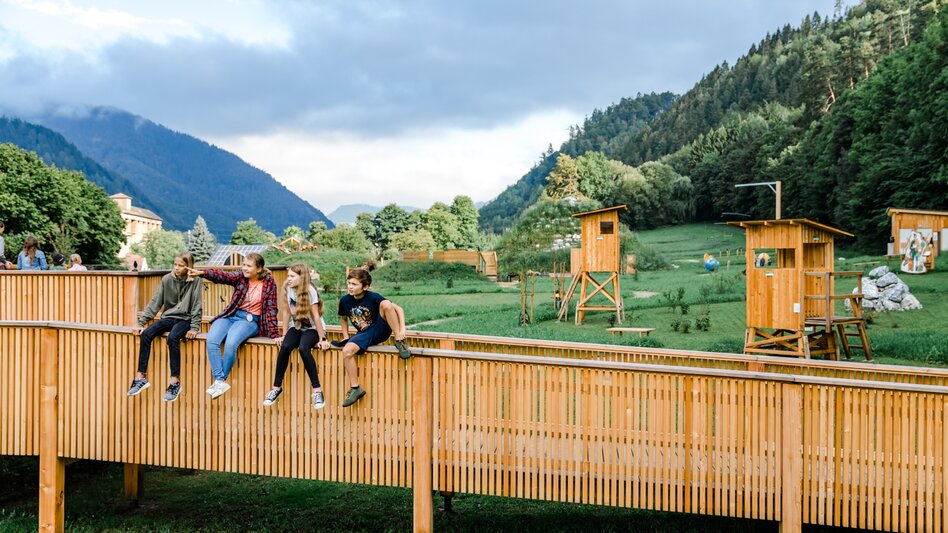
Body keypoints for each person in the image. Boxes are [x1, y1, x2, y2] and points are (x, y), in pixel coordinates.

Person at [188, 253, 280, 399]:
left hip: (250, 320)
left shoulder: (268, 283)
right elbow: (223, 276)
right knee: (211, 340)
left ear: (259, 268)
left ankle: (220, 381)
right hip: (231, 315)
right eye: (244, 265)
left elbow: (271, 308)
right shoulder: (241, 277)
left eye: (249, 266)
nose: (244, 268)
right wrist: (203, 273)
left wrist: (274, 334)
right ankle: (220, 380)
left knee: (231, 343)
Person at [126, 252, 203, 402]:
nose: (177, 268)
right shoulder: (167, 279)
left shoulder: (196, 280)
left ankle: (174, 382)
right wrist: (141, 323)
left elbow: (197, 304)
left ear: (189, 267)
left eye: (181, 265)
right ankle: (141, 377)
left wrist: (194, 327)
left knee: (173, 338)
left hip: (185, 319)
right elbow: (155, 302)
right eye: (175, 264)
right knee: (146, 334)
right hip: (168, 317)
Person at [335, 262, 410, 408]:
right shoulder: (344, 300)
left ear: (365, 287)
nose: (350, 287)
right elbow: (343, 319)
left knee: (386, 304)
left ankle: (399, 342)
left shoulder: (373, 297)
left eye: (354, 284)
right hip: (364, 333)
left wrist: (401, 332)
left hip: (381, 328)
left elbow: (399, 309)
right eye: (349, 283)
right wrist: (345, 336)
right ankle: (356, 388)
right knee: (347, 351)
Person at [262, 264, 331, 410]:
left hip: (313, 328)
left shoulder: (310, 290)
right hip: (297, 326)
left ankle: (317, 391)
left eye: (292, 276)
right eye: (288, 276)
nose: (289, 279)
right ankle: (276, 388)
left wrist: (322, 339)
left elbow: (316, 316)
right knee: (286, 346)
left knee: (303, 348)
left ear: (302, 277)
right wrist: (284, 334)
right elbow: (287, 313)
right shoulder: (289, 289)